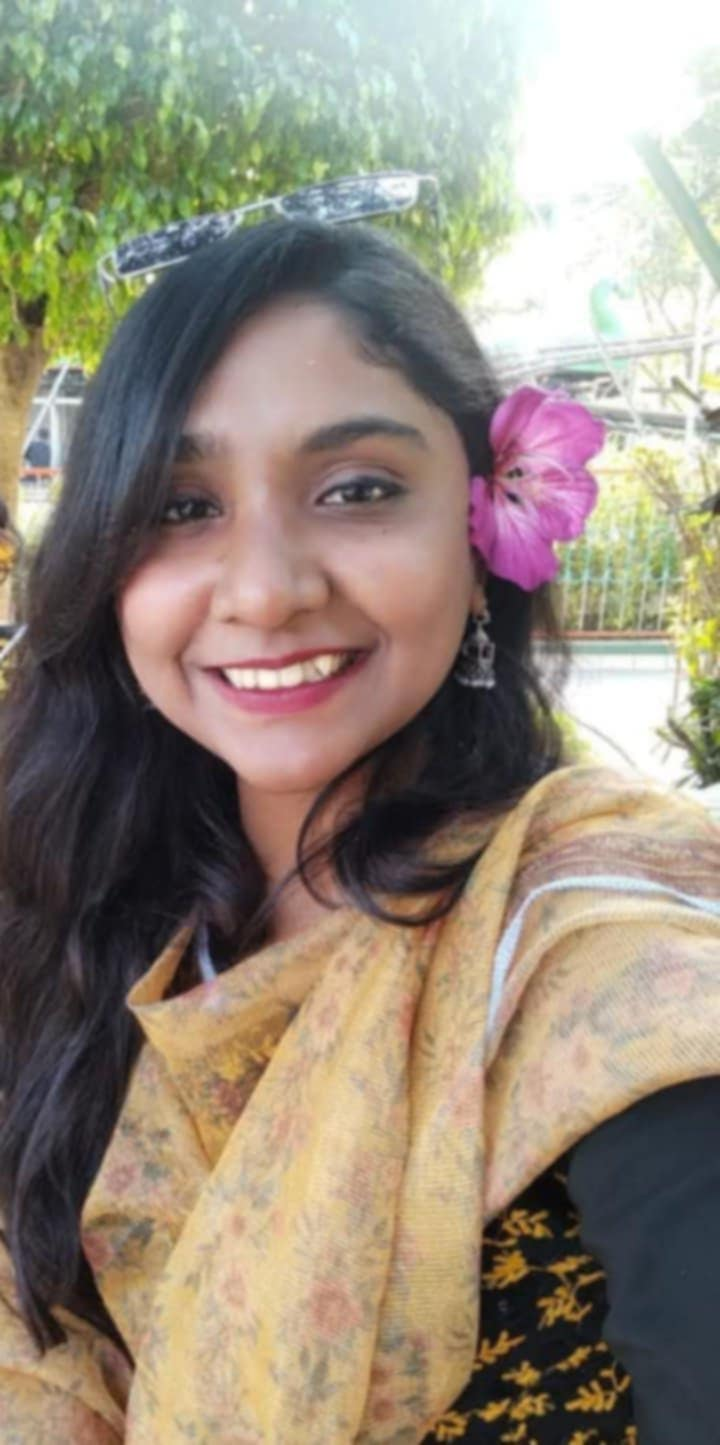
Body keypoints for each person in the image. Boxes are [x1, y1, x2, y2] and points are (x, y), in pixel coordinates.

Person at [0, 219, 719, 1445]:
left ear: (482, 529)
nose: (265, 587)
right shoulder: (77, 915)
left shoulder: (606, 957)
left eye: (357, 490)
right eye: (182, 504)